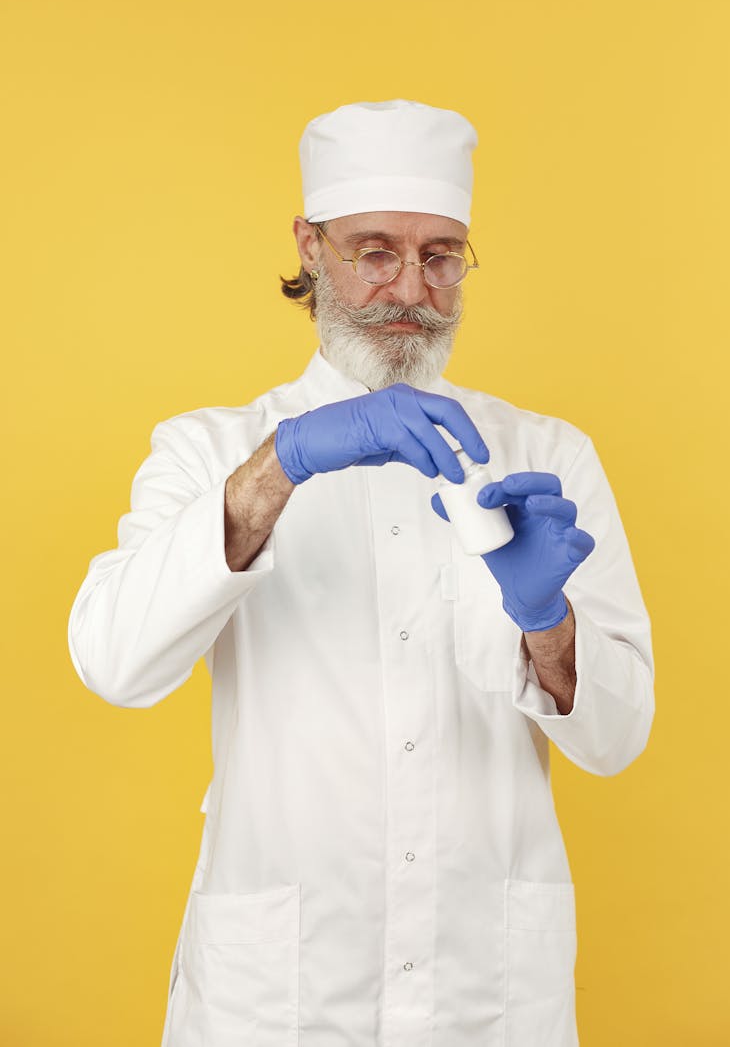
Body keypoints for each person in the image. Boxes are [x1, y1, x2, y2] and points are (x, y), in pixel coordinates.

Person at [67, 98, 655, 1047]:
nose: (410, 288)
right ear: (310, 245)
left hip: (486, 991)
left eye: (442, 254)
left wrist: (547, 622)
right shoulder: (208, 449)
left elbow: (618, 737)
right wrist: (279, 466)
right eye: (375, 249)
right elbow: (114, 663)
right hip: (280, 995)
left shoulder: (547, 454)